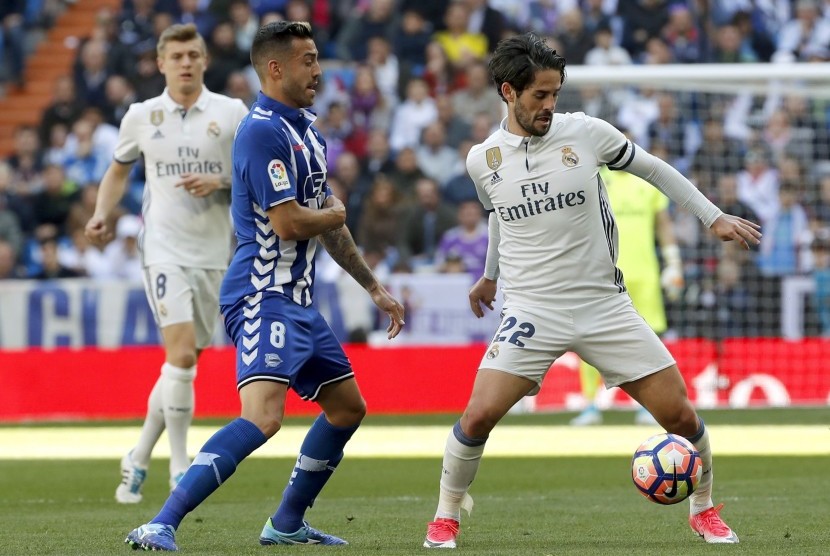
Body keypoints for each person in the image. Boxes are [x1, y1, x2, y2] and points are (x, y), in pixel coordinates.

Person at [423, 32, 760, 549]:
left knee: (681, 415)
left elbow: (655, 170)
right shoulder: (482, 159)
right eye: (540, 95)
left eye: (556, 93)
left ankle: (704, 508)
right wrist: (490, 276)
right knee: (478, 415)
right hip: (532, 308)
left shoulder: (586, 134)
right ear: (508, 92)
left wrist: (711, 217)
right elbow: (498, 220)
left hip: (603, 304)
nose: (550, 106)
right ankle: (445, 516)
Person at [125, 21, 405, 551]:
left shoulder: (308, 132)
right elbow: (290, 223)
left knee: (348, 408)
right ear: (275, 68)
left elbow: (328, 223)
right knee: (262, 418)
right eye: (308, 60)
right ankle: (159, 523)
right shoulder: (260, 132)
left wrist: (373, 288)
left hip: (298, 301)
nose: (318, 71)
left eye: (317, 58)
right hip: (260, 294)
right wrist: (334, 213)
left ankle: (286, 523)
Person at [84, 23, 249, 504]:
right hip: (163, 249)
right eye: (175, 56)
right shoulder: (141, 115)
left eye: (193, 55)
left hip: (216, 255)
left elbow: (250, 175)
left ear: (204, 61)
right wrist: (100, 214)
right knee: (179, 357)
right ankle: (180, 469)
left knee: (183, 367)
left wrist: (218, 181)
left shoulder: (232, 113)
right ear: (160, 63)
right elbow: (118, 170)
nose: (185, 63)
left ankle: (136, 457)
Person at [570, 164, 683, 426]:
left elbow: (663, 225)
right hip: (603, 272)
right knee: (590, 335)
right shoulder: (594, 179)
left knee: (649, 339)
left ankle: (649, 406)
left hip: (645, 274)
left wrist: (673, 263)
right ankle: (590, 405)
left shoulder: (647, 183)